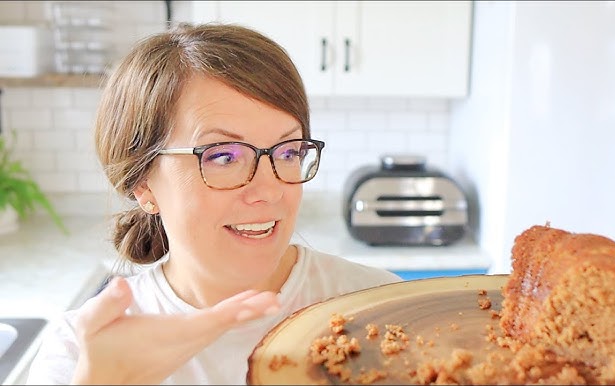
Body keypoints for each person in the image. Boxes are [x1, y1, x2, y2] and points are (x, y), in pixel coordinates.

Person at [26, 23, 402, 385]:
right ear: (144, 184)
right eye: (223, 157)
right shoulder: (78, 355)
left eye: (288, 152)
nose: (269, 191)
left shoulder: (383, 313)